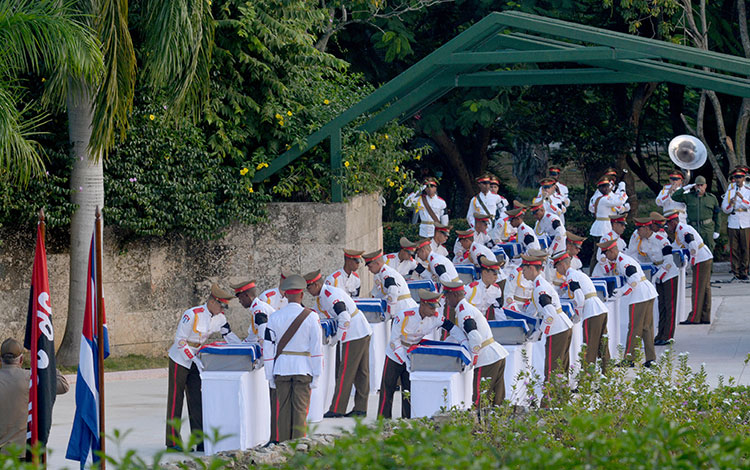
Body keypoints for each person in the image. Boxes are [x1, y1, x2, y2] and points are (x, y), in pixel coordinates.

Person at [166, 284, 239, 451]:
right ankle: (172, 442)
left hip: (197, 360)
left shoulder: (220, 318)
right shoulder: (192, 314)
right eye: (221, 305)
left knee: (197, 400)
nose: (222, 309)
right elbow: (180, 340)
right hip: (180, 359)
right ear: (212, 302)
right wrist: (192, 357)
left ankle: (199, 441)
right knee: (176, 400)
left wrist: (243, 347)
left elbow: (228, 335)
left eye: (224, 307)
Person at [378, 290, 463, 418]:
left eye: (435, 307)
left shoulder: (435, 318)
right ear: (422, 304)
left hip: (413, 355)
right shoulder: (404, 316)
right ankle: (382, 421)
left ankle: (406, 419)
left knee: (408, 390)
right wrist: (404, 359)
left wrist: (464, 341)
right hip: (395, 354)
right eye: (431, 307)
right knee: (388, 388)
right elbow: (394, 341)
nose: (434, 311)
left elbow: (452, 328)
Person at [263, 274, 323, 443]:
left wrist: (269, 375)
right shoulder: (312, 317)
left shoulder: (274, 317)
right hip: (303, 367)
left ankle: (282, 447)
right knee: (300, 411)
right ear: (301, 294)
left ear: (286, 295)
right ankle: (297, 449)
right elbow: (317, 349)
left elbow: (268, 349)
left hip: (281, 368)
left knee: (282, 411)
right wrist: (317, 374)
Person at [304, 270, 372, 418]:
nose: (308, 291)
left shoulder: (329, 295)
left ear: (316, 284)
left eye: (309, 287)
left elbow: (344, 317)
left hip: (353, 333)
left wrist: (337, 338)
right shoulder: (322, 295)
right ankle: (360, 408)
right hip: (360, 330)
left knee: (345, 372)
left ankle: (337, 409)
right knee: (361, 373)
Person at [442, 280, 509, 406]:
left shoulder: (464, 311)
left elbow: (474, 336)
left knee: (480, 400)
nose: (446, 300)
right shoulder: (464, 309)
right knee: (497, 399)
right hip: (495, 355)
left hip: (486, 358)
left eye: (447, 296)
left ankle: (480, 424)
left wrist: (473, 358)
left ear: (455, 295)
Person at [0, 338, 69, 453]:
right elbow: (63, 385)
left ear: (1, 359)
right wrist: (47, 365)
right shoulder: (31, 378)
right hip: (24, 450)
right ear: (21, 359)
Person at [597, 239, 657, 367]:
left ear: (612, 251)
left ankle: (629, 359)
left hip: (640, 295)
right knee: (646, 328)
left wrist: (622, 291)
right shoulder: (622, 260)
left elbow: (634, 279)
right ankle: (651, 358)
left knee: (635, 328)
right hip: (647, 292)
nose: (606, 257)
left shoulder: (623, 262)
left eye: (606, 254)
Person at [231, 279, 278, 440]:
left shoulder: (259, 311)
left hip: (274, 356)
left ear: (247, 296)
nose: (239, 301)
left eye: (240, 298)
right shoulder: (255, 310)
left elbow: (264, 337)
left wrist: (262, 360)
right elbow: (251, 338)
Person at [521, 250, 573, 383]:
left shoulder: (540, 288)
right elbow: (533, 309)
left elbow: (550, 314)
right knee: (561, 367)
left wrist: (540, 332)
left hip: (557, 329)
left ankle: (549, 401)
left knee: (553, 368)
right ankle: (561, 398)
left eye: (524, 269)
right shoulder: (538, 285)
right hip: (562, 326)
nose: (522, 272)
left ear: (532, 268)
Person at [551, 251, 609, 371]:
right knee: (602, 345)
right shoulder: (577, 274)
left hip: (591, 311)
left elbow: (579, 297)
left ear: (562, 265)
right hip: (599, 308)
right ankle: (607, 375)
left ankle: (586, 380)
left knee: (589, 347)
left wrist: (577, 314)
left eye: (557, 267)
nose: (557, 270)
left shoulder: (572, 277)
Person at [665, 210, 714, 325]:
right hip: (704, 257)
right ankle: (704, 316)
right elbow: (676, 246)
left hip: (700, 259)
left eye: (668, 224)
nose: (668, 227)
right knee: (704, 288)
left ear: (673, 223)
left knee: (697, 289)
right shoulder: (680, 230)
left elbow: (692, 245)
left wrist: (692, 261)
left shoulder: (683, 230)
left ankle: (694, 317)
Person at [644, 215, 680, 346]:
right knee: (661, 306)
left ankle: (668, 335)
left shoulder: (662, 240)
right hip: (658, 273)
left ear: (648, 228)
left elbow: (669, 261)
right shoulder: (644, 242)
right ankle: (660, 334)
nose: (638, 232)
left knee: (669, 306)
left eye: (641, 229)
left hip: (669, 274)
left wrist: (659, 275)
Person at [670, 175, 721, 250]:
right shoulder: (689, 197)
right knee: (693, 249)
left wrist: (717, 230)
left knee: (709, 250)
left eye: (701, 185)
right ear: (694, 186)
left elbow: (717, 215)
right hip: (693, 227)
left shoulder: (711, 198)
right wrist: (686, 188)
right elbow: (674, 196)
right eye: (697, 185)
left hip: (707, 228)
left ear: (705, 186)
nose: (699, 187)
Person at [364, 249, 416, 319]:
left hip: (403, 307)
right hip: (403, 306)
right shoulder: (383, 273)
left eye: (370, 266)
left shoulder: (386, 273)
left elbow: (393, 290)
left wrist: (390, 313)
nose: (369, 270)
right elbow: (383, 293)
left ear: (377, 263)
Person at [721, 168, 750, 281]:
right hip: (733, 221)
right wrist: (731, 203)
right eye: (736, 178)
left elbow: (748, 205)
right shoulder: (730, 191)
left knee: (745, 248)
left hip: (745, 221)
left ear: (743, 178)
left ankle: (744, 271)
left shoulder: (748, 190)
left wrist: (742, 198)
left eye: (739, 177)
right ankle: (735, 271)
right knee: (734, 248)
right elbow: (725, 208)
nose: (737, 179)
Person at [231, 280, 274, 344]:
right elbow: (252, 337)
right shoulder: (256, 307)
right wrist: (242, 345)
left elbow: (263, 331)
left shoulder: (259, 309)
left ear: (246, 295)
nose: (240, 302)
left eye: (240, 298)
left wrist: (263, 347)